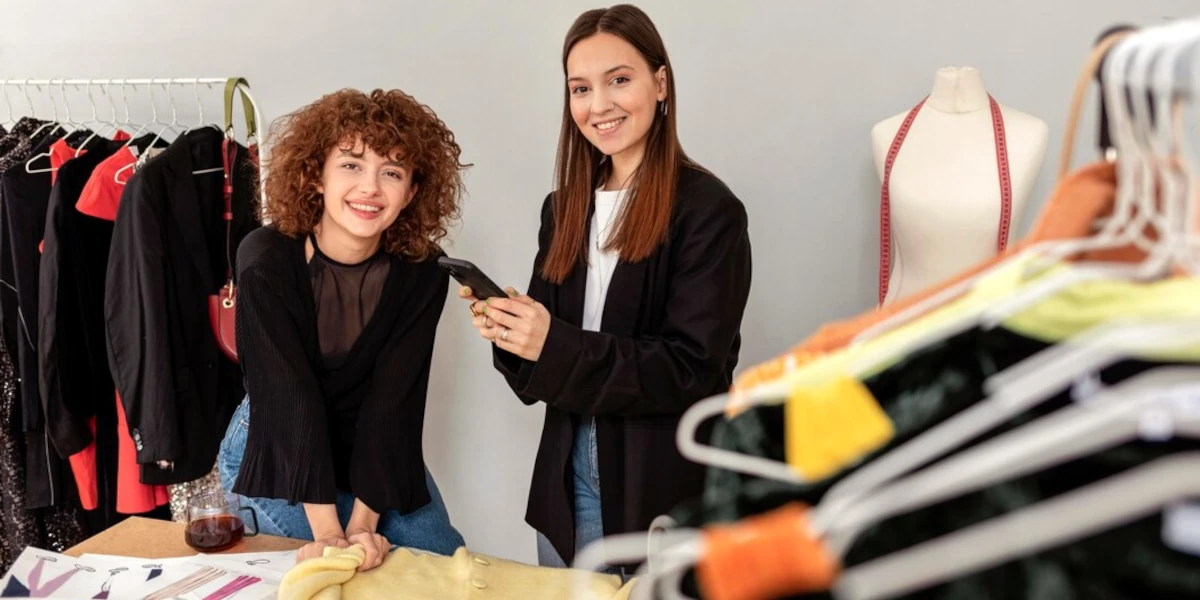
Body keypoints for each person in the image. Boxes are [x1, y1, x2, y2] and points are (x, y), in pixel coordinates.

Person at [457, 4, 752, 572]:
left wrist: (553, 342)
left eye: (619, 80)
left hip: (656, 495)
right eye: (580, 88)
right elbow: (541, 372)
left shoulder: (709, 211)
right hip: (563, 488)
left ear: (660, 82)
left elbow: (691, 369)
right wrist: (513, 334)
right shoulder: (565, 207)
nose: (599, 105)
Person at [218, 89, 468, 571]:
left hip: (376, 444)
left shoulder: (423, 270)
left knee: (447, 570)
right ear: (316, 176)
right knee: (339, 574)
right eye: (351, 165)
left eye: (391, 172)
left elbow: (395, 398)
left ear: (412, 191)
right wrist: (333, 535)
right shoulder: (265, 258)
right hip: (277, 440)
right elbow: (290, 398)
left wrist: (364, 525)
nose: (370, 188)